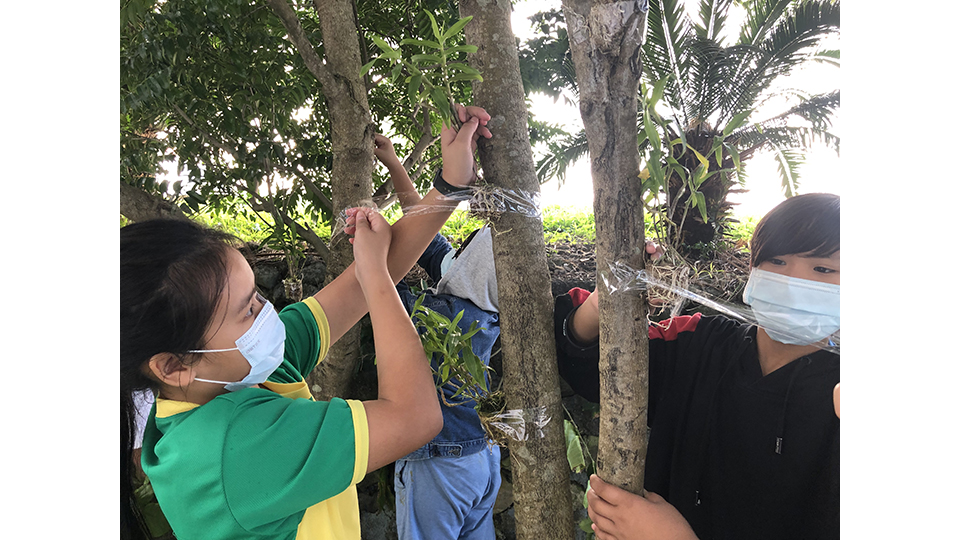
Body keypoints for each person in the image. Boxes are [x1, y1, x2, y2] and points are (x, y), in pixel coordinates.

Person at [120, 105, 493, 540]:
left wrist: (450, 184)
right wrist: (372, 272)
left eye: (257, 294)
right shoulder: (228, 447)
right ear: (171, 365)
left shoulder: (236, 373)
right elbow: (414, 417)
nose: (266, 313)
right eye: (246, 309)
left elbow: (362, 283)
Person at [555, 193, 841, 540]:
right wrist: (607, 302)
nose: (795, 282)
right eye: (776, 261)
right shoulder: (697, 342)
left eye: (823, 269)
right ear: (753, 268)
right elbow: (593, 365)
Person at [374, 133, 502, 540]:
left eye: (463, 250)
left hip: (439, 464)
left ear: (468, 268)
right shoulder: (481, 305)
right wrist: (394, 164)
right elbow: (423, 224)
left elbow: (381, 285)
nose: (456, 248)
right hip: (482, 458)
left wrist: (369, 245)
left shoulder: (439, 316)